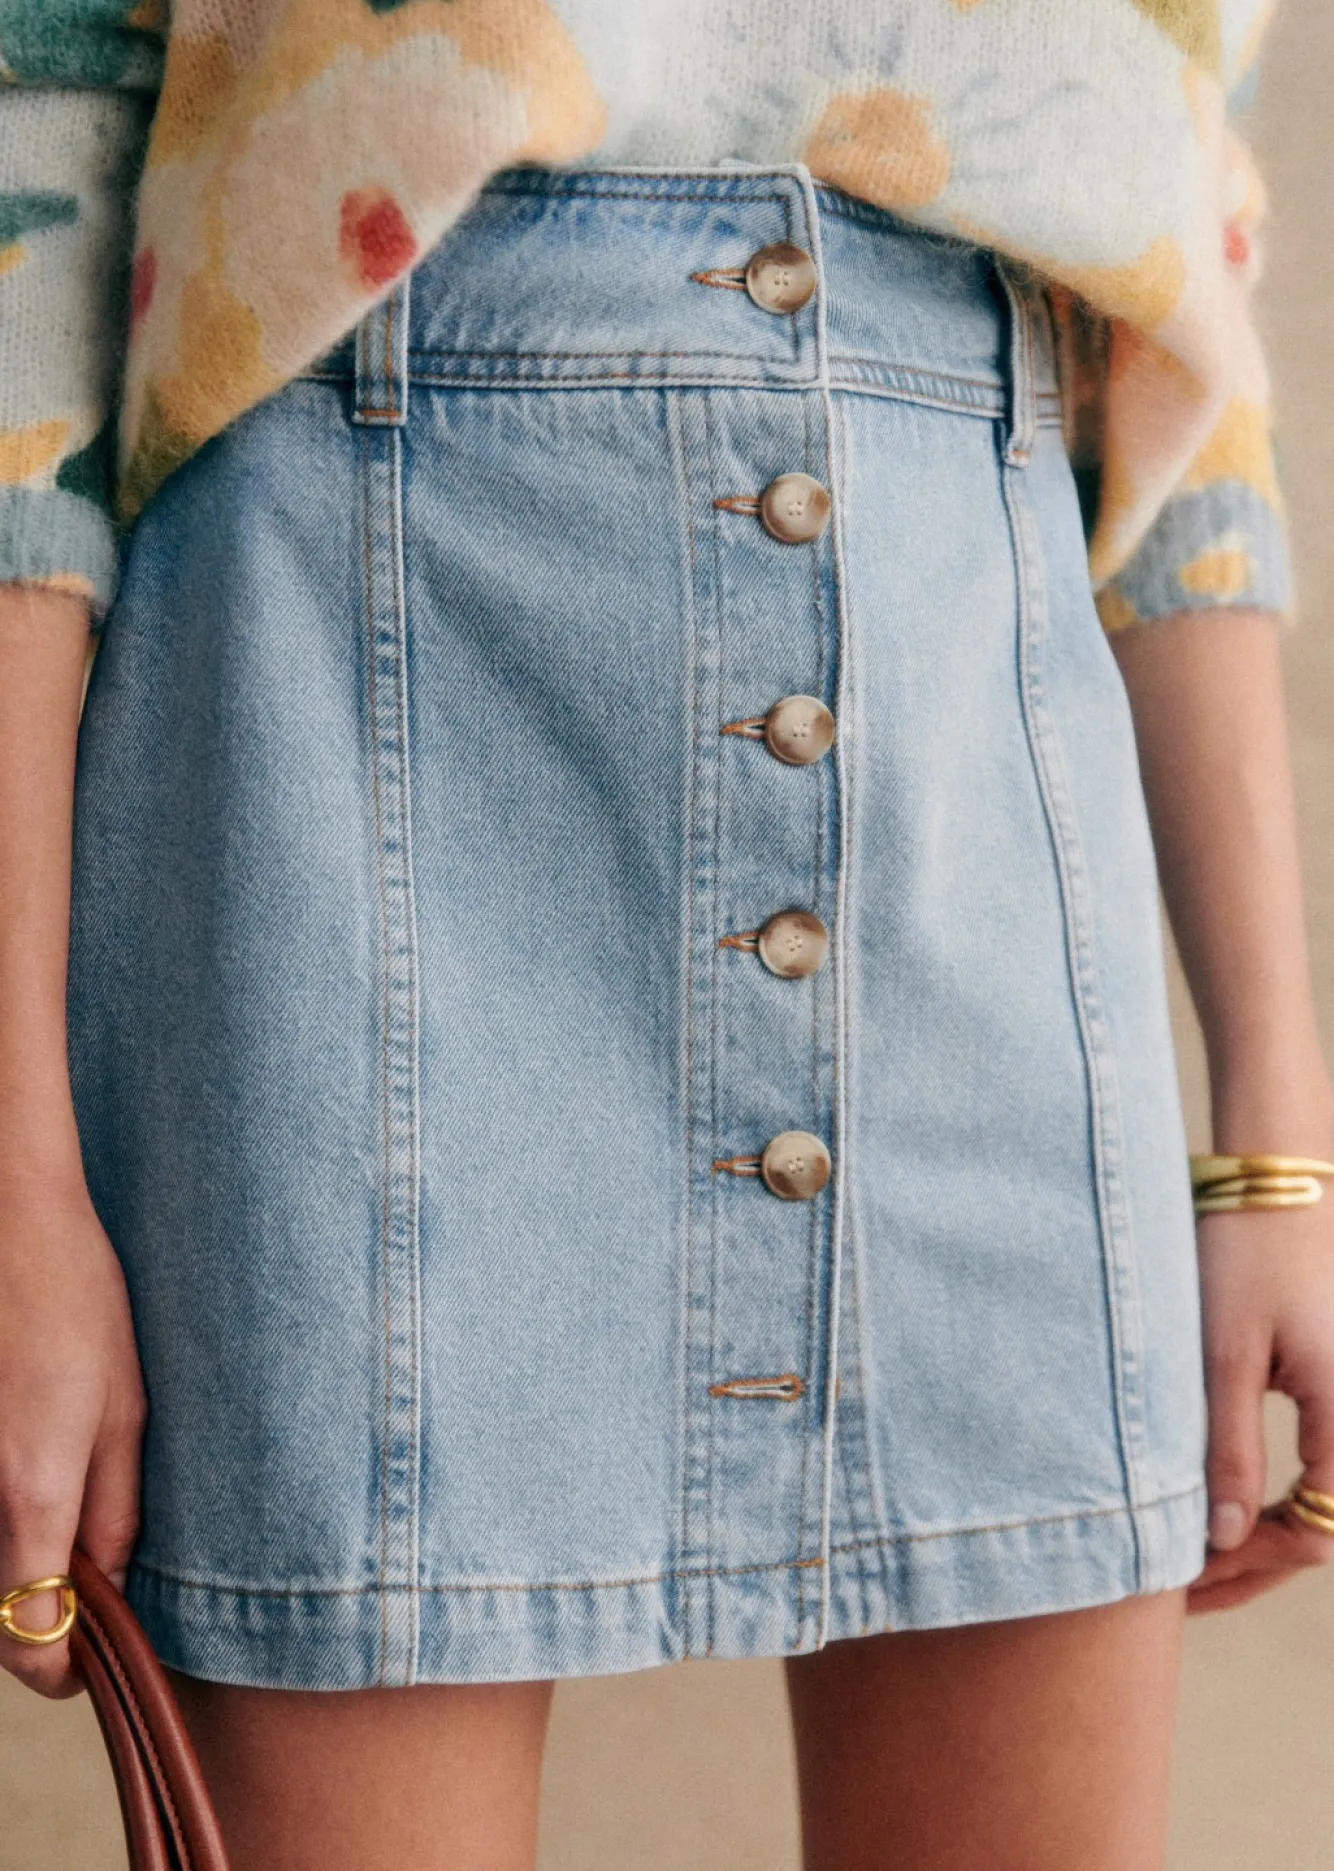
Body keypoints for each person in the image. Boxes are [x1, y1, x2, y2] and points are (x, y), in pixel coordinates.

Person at [2, 5, 1332, 1869]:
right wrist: (18, 1173)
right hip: (349, 721)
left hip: (978, 761)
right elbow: (32, 176)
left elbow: (1184, 275)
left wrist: (1275, 1132)